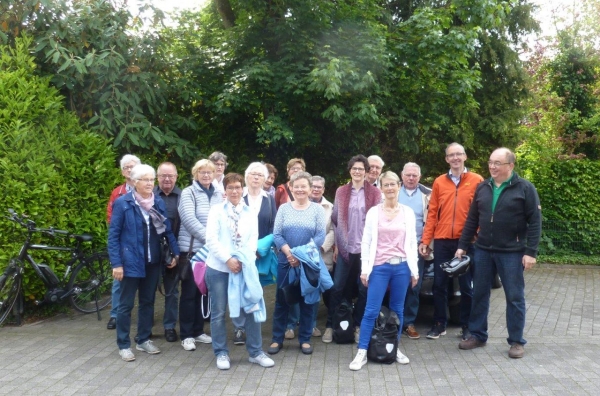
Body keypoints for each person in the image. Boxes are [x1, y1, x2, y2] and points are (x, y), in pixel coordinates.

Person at [456, 148, 541, 359]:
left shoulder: (525, 188)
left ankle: (516, 341)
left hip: (512, 252)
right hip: (483, 250)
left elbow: (535, 222)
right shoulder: (483, 187)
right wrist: (462, 245)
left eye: (498, 163)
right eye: (490, 162)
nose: (492, 166)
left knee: (514, 297)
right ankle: (477, 335)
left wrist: (531, 252)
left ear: (510, 166)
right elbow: (472, 220)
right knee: (479, 294)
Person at [108, 164, 180, 362]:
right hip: (130, 262)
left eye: (151, 180)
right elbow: (113, 236)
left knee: (148, 302)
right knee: (125, 305)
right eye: (145, 180)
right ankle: (123, 344)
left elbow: (166, 230)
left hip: (153, 261)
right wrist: (117, 264)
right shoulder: (123, 203)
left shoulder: (156, 202)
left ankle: (143, 339)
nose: (150, 183)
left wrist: (175, 253)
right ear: (134, 182)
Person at [205, 173, 275, 370]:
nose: (234, 191)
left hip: (243, 268)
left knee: (251, 308)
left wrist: (244, 259)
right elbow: (211, 239)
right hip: (219, 268)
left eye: (237, 187)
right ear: (225, 191)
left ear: (242, 189)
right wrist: (228, 259)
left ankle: (255, 352)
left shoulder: (249, 212)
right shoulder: (216, 211)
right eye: (230, 188)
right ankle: (221, 353)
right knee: (218, 312)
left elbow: (253, 239)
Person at [349, 171, 419, 370]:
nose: (390, 188)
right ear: (381, 188)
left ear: (399, 186)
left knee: (398, 310)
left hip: (402, 267)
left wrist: (414, 270)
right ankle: (362, 351)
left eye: (393, 184)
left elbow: (412, 242)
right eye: (386, 185)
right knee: (371, 310)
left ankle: (393, 347)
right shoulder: (374, 212)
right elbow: (366, 241)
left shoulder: (407, 212)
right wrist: (365, 270)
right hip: (379, 266)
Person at [419, 143, 483, 340]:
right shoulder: (439, 182)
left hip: (466, 242)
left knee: (466, 286)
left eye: (458, 154)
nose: (455, 158)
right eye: (451, 155)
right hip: (442, 240)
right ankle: (439, 323)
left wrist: (477, 234)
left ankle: (467, 325)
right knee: (439, 284)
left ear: (465, 156)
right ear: (446, 159)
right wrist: (425, 239)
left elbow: (483, 210)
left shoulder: (477, 180)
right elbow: (432, 214)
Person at [323, 155, 381, 344]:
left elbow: (378, 221)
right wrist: (338, 245)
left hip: (366, 250)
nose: (357, 172)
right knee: (337, 287)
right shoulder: (341, 191)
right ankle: (331, 326)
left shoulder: (374, 193)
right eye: (354, 168)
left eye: (361, 169)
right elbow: (336, 218)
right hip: (346, 248)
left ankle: (357, 326)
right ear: (350, 171)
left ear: (366, 171)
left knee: (364, 289)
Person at [268, 171, 326, 355]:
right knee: (282, 301)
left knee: (307, 301)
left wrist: (300, 256)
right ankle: (277, 339)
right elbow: (277, 234)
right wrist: (289, 253)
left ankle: (305, 339)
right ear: (291, 188)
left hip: (307, 263)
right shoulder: (284, 209)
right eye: (297, 186)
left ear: (310, 189)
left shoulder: (317, 210)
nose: (300, 189)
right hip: (286, 262)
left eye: (304, 186)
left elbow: (320, 236)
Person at [231, 162, 277, 346]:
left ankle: (253, 326)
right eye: (253, 174)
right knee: (239, 288)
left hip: (261, 252)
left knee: (254, 289)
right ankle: (239, 328)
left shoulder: (269, 199)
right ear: (246, 176)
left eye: (260, 175)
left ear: (265, 179)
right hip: (241, 252)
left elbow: (273, 225)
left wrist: (261, 248)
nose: (256, 177)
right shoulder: (237, 196)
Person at [178, 159, 221, 351]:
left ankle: (198, 330)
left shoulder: (219, 193)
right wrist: (211, 239)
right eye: (202, 172)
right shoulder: (188, 193)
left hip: (211, 252)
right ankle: (186, 335)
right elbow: (188, 219)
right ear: (195, 174)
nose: (206, 175)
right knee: (189, 294)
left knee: (203, 292)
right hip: (193, 251)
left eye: (209, 172)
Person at [106, 154, 141, 330]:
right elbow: (111, 218)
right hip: (123, 242)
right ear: (122, 172)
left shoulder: (148, 189)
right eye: (127, 167)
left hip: (141, 243)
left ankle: (143, 316)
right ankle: (115, 314)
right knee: (118, 279)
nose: (130, 169)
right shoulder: (117, 193)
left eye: (133, 166)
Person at [398, 162, 431, 340]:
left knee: (414, 285)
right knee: (393, 284)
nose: (411, 178)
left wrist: (427, 243)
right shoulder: (392, 192)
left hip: (417, 247)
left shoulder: (427, 195)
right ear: (402, 176)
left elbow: (432, 221)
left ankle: (409, 323)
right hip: (394, 247)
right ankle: (393, 321)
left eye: (415, 175)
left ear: (419, 177)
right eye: (408, 175)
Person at [154, 162, 182, 343]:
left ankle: (169, 326)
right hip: (152, 252)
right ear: (157, 177)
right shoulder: (148, 195)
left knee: (172, 292)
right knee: (147, 291)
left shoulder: (183, 196)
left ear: (176, 177)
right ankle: (145, 328)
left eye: (170, 176)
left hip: (174, 251)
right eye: (163, 175)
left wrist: (177, 253)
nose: (166, 179)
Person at [309, 175, 335, 337]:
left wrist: (322, 246)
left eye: (319, 187)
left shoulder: (330, 207)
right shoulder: (301, 205)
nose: (316, 189)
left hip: (322, 254)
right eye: (314, 186)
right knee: (308, 291)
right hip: (304, 255)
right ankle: (307, 324)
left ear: (324, 190)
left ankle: (324, 325)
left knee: (323, 291)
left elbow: (333, 230)